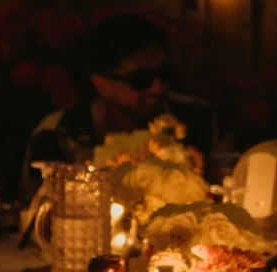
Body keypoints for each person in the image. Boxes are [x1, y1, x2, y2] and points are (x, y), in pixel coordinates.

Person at [24, 13, 214, 185]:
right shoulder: (58, 133)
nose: (157, 88)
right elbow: (36, 211)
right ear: (102, 85)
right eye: (140, 80)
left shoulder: (195, 120)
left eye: (164, 74)